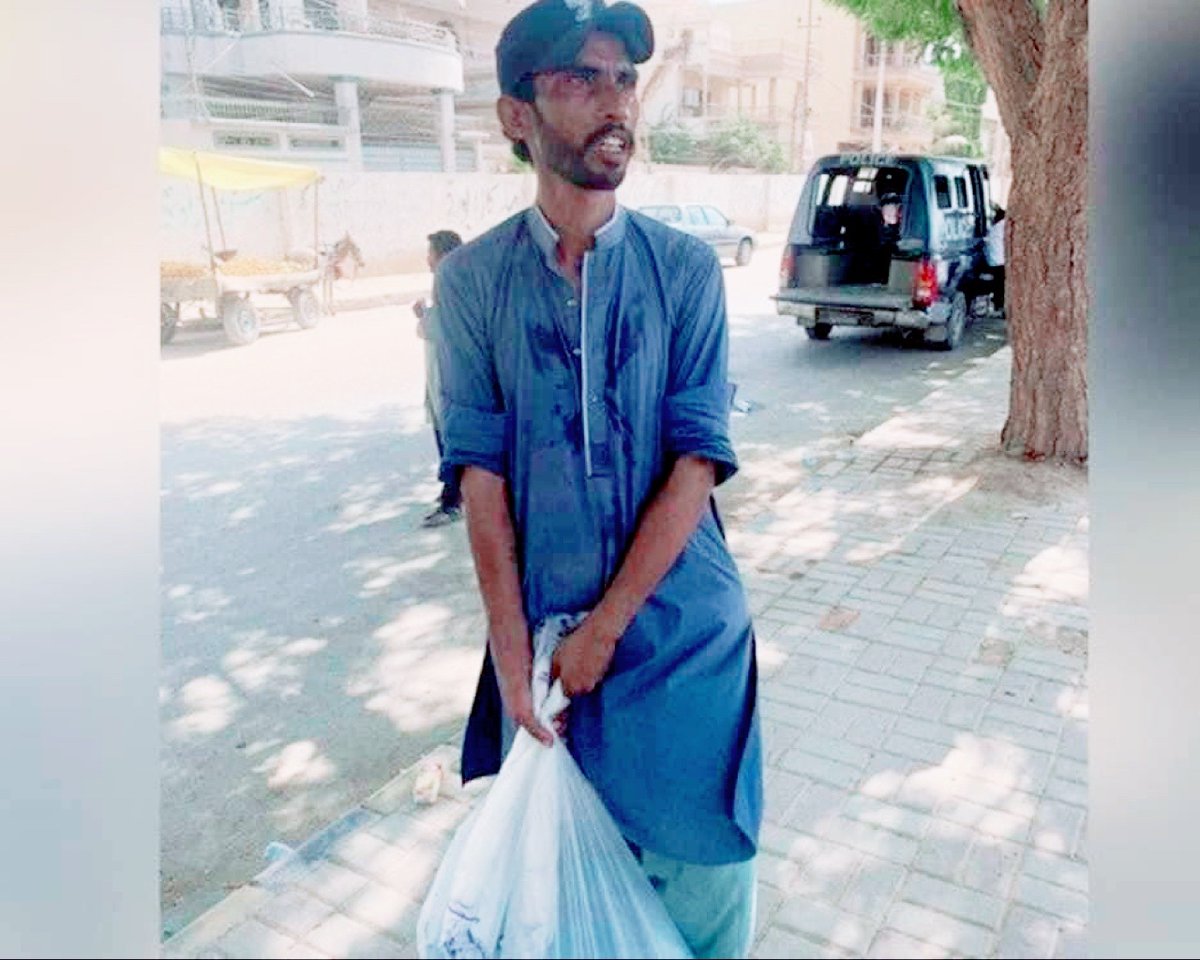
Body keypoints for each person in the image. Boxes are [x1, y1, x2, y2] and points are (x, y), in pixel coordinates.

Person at [432, 1, 762, 956]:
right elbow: (481, 477)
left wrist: (607, 629)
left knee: (701, 906)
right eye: (580, 79)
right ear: (516, 115)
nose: (613, 101)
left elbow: (698, 462)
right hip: (546, 661)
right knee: (563, 912)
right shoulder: (473, 286)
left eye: (623, 78)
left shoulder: (686, 272)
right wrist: (510, 659)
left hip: (679, 644)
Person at [414, 229, 464, 527]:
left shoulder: (452, 283)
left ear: (443, 254)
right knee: (444, 433)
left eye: (431, 253)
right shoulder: (453, 281)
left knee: (451, 437)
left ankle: (453, 499)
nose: (427, 260)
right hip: (441, 371)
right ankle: (453, 492)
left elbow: (436, 328)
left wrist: (422, 318)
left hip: (450, 375)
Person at [985, 204, 1006, 314]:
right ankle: (1001, 307)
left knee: (998, 285)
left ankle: (998, 305)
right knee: (1002, 285)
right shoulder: (1004, 226)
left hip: (993, 261)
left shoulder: (994, 228)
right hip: (1001, 260)